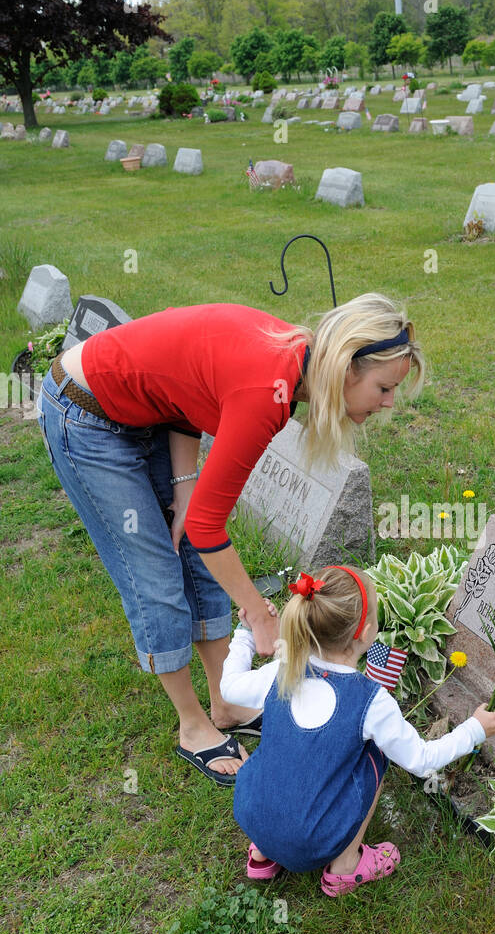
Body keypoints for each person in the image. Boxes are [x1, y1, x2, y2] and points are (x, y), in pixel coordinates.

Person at [36, 296, 423, 784]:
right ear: (347, 368)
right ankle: (193, 726)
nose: (389, 402)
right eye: (384, 387)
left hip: (147, 414)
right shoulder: (269, 391)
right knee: (153, 572)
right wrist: (261, 616)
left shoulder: (294, 366)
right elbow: (207, 527)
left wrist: (184, 484)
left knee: (197, 563)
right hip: (85, 414)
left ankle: (227, 704)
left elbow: (182, 399)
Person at [220, 565, 495, 894]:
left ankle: (263, 854)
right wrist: (474, 730)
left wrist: (244, 633)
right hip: (311, 843)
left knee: (284, 752)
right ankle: (344, 867)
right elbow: (421, 760)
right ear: (367, 632)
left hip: (248, 810)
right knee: (375, 753)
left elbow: (228, 687)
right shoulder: (371, 702)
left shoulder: (283, 672)